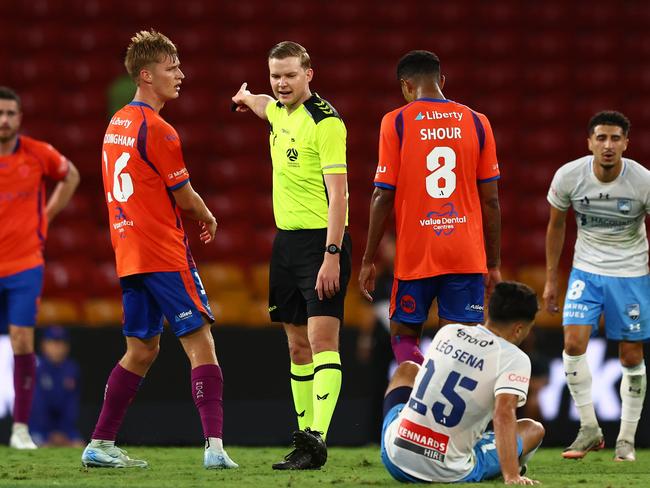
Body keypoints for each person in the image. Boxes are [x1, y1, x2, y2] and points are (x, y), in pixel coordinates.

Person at [80, 30, 237, 470]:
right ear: (147, 75)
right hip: (162, 252)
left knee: (142, 349)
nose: (181, 76)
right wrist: (206, 216)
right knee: (201, 344)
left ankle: (100, 444)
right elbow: (184, 197)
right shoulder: (158, 129)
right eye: (172, 69)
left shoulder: (116, 123)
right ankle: (215, 448)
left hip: (128, 253)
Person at [231, 41, 351, 470]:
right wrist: (247, 99)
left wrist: (332, 254)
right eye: (276, 75)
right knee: (297, 346)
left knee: (322, 342)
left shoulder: (326, 123)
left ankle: (319, 436)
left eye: (290, 75)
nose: (282, 83)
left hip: (322, 242)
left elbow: (339, 196)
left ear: (309, 75)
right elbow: (266, 105)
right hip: (285, 244)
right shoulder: (278, 111)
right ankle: (305, 441)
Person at [359, 50, 501, 367]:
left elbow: (382, 195)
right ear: (442, 81)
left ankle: (417, 395)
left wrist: (368, 259)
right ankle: (442, 399)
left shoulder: (395, 121)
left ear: (406, 86)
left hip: (417, 254)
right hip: (465, 254)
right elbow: (491, 200)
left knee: (404, 340)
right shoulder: (478, 122)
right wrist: (493, 263)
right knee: (459, 351)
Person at [543, 111, 649, 462]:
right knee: (573, 344)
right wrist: (550, 280)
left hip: (631, 272)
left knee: (631, 356)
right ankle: (589, 428)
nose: (608, 145)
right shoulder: (570, 175)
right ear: (589, 142)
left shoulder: (642, 181)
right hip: (585, 271)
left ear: (626, 143)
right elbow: (556, 226)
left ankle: (626, 439)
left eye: (615, 138)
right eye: (601, 138)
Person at [381, 282, 544, 485]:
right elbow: (504, 413)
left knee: (407, 369)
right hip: (447, 470)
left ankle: (406, 431)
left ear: (489, 310)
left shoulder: (448, 332)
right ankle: (515, 467)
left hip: (395, 457)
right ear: (519, 329)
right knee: (533, 429)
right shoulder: (515, 358)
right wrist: (512, 476)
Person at [0, 86, 80, 449]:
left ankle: (20, 428)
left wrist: (46, 215)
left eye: (10, 113)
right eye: (0, 113)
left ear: (20, 118)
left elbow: (71, 175)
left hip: (24, 262)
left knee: (22, 340)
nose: (4, 120)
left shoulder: (37, 153)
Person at [29, 326, 83, 446]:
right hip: (38, 429)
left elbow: (71, 406)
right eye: (52, 343)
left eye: (61, 343)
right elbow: (37, 407)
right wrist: (51, 435)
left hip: (66, 430)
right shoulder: (36, 368)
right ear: (43, 345)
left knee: (80, 447)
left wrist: (63, 432)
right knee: (42, 447)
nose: (57, 347)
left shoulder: (72, 369)